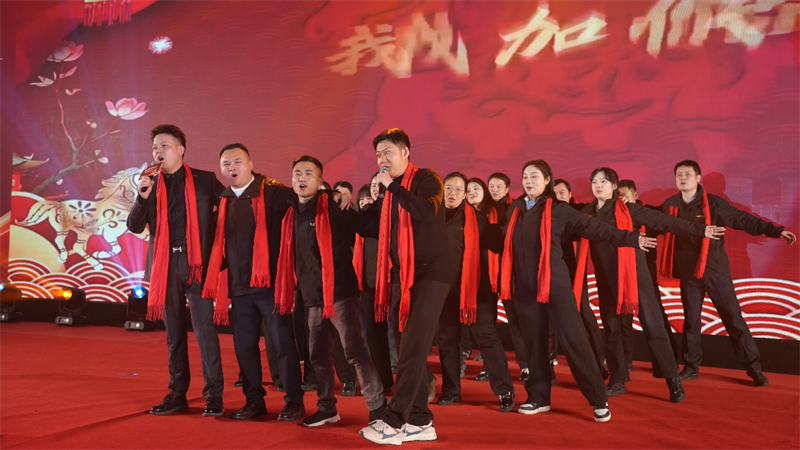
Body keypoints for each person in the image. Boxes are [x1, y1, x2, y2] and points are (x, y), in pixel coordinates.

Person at [499, 159, 657, 423]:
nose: (528, 181)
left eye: (534, 176)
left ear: (547, 180)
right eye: (525, 176)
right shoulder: (515, 211)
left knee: (575, 341)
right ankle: (539, 397)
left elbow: (596, 228)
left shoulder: (559, 209)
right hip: (525, 289)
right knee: (534, 345)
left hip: (556, 286)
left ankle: (598, 399)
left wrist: (631, 238)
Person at [581, 167, 723, 401]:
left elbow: (666, 221)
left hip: (635, 276)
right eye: (594, 181)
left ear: (614, 186)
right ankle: (617, 380)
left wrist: (701, 230)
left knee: (654, 326)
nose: (598, 186)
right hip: (606, 278)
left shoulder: (629, 209)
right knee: (612, 330)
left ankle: (672, 380)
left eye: (603, 182)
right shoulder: (586, 213)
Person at [660, 160, 796, 386]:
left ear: (698, 178)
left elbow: (742, 219)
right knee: (691, 322)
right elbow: (652, 218)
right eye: (679, 174)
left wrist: (775, 230)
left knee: (733, 320)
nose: (683, 178)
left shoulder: (713, 204)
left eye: (688, 174)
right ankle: (691, 367)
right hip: (689, 274)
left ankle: (754, 368)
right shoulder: (670, 205)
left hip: (715, 272)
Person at [274, 155, 386, 427]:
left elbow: (368, 227)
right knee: (318, 357)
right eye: (297, 173)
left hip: (340, 294)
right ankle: (327, 409)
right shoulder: (290, 212)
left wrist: (380, 200)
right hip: (312, 298)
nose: (301, 178)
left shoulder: (333, 207)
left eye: (308, 173)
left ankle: (378, 407)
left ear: (321, 181)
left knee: (354, 351)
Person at [359, 128, 453, 445]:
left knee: (412, 347)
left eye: (388, 152)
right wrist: (351, 203)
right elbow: (369, 227)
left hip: (432, 274)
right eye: (378, 155)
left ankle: (394, 420)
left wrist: (392, 188)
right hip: (404, 277)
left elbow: (427, 210)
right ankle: (421, 420)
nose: (381, 159)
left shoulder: (427, 179)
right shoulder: (389, 193)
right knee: (404, 344)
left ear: (405, 152)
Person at [201, 143, 305, 421]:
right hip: (239, 288)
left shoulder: (273, 192)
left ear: (250, 164)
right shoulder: (223, 202)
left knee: (282, 344)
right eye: (226, 164)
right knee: (244, 347)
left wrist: (332, 194)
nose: (232, 167)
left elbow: (304, 198)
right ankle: (254, 401)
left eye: (237, 161)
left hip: (271, 286)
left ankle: (294, 401)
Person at [127, 124, 225, 417]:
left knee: (205, 330)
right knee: (174, 333)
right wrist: (142, 197)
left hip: (197, 266)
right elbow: (134, 226)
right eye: (154, 147)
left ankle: (214, 396)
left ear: (181, 150)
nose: (158, 152)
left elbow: (231, 207)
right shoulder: (150, 184)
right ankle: (177, 393)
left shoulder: (205, 180)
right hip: (165, 267)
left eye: (164, 146)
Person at [434, 172, 515, 413]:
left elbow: (498, 244)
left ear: (464, 195)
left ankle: (504, 390)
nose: (453, 193)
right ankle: (451, 390)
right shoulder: (432, 218)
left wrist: (510, 222)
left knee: (487, 339)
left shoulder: (476, 219)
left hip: (476, 292)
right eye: (449, 188)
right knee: (447, 341)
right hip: (444, 291)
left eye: (459, 189)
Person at [618, 179, 679, 362]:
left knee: (656, 319)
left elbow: (667, 223)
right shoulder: (614, 216)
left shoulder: (647, 214)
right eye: (618, 196)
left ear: (635, 195)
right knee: (623, 321)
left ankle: (671, 360)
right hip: (623, 276)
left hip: (646, 277)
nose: (622, 199)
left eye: (625, 195)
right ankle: (625, 361)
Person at [552, 179, 608, 379]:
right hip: (549, 274)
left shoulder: (578, 212)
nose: (559, 197)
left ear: (570, 194)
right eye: (555, 194)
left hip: (574, 275)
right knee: (548, 319)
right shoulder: (547, 215)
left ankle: (600, 359)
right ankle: (549, 364)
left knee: (584, 313)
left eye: (562, 193)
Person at [353, 184, 396, 394]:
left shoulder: (392, 217)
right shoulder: (360, 223)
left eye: (370, 198)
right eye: (361, 200)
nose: (365, 203)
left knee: (398, 336)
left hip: (393, 283)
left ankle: (420, 380)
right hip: (369, 287)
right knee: (374, 337)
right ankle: (384, 381)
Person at [488, 172, 530, 382]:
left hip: (510, 275)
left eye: (498, 186)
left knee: (518, 322)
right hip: (486, 275)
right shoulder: (483, 211)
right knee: (488, 324)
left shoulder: (515, 210)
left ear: (506, 189)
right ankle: (489, 365)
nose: (494, 190)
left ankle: (527, 364)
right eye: (491, 186)